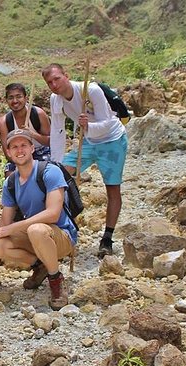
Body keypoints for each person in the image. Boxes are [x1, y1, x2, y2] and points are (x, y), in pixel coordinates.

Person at [42, 63, 127, 258]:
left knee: (112, 187)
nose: (54, 85)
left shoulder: (91, 90)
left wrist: (89, 125)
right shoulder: (56, 99)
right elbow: (57, 131)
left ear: (66, 75)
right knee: (58, 178)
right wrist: (55, 164)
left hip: (112, 140)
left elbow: (107, 122)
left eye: (57, 79)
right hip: (87, 141)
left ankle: (107, 237)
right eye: (49, 83)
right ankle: (64, 226)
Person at [0, 129, 77, 310]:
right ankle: (40, 266)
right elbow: (5, 223)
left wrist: (14, 228)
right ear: (8, 152)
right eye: (14, 147)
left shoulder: (49, 171)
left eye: (23, 146)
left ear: (32, 148)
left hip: (61, 235)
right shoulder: (11, 183)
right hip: (36, 235)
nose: (19, 150)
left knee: (35, 229)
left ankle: (56, 280)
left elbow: (53, 213)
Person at [0, 83, 51, 177]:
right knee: (11, 175)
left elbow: (50, 142)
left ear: (26, 98)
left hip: (41, 152)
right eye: (11, 98)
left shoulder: (38, 114)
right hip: (18, 154)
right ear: (6, 100)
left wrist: (33, 134)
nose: (15, 101)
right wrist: (23, 162)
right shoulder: (4, 122)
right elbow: (7, 152)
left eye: (19, 97)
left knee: (45, 174)